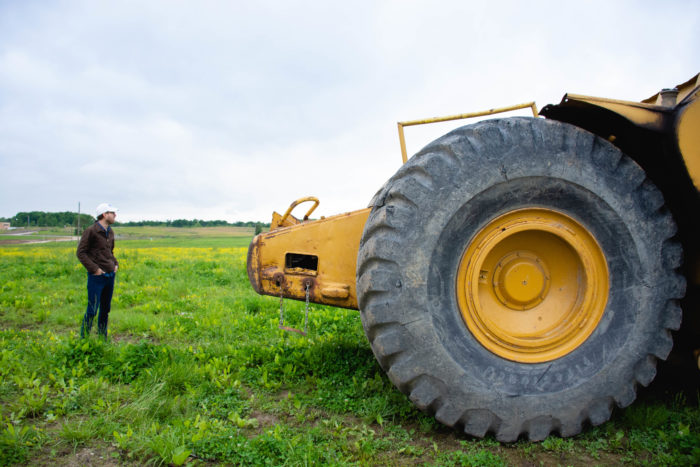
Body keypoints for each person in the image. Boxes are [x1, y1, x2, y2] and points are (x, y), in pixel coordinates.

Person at [77, 203, 119, 338]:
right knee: (92, 310)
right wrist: (95, 269)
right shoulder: (91, 231)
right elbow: (81, 253)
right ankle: (84, 339)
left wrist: (115, 264)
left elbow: (109, 251)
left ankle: (102, 338)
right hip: (97, 277)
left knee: (105, 309)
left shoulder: (110, 231)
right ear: (104, 214)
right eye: (112, 213)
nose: (115, 215)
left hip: (110, 276)